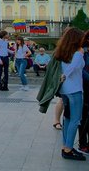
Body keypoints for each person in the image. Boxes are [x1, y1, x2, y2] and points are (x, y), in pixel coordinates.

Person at [52, 27, 86, 161]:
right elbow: (72, 68)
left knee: (67, 118)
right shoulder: (78, 53)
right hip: (75, 90)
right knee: (75, 119)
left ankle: (65, 146)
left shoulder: (62, 51)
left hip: (65, 90)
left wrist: (63, 77)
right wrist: (65, 75)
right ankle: (68, 149)